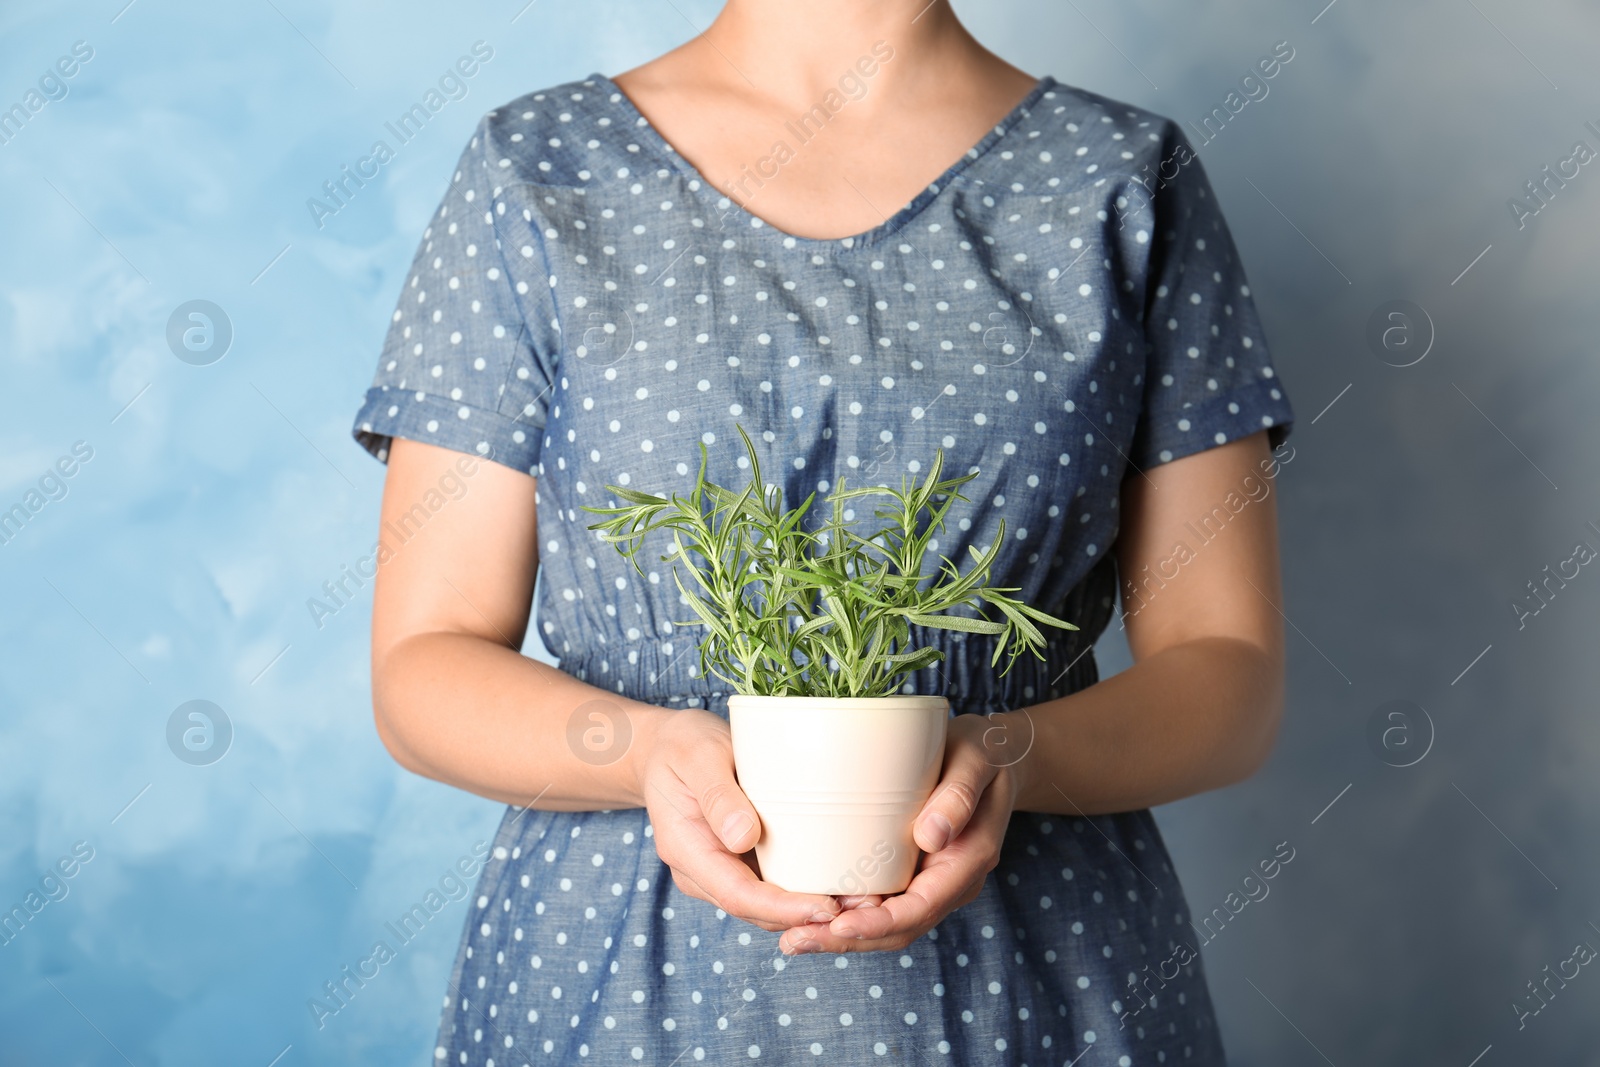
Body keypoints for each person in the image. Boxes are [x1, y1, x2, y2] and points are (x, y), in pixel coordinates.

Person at [350, 0, 1295, 1061]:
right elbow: (424, 666)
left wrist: (1009, 757)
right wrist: (652, 753)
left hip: (1036, 984)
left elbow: (1229, 673)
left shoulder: (1123, 177)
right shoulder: (537, 169)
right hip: (615, 982)